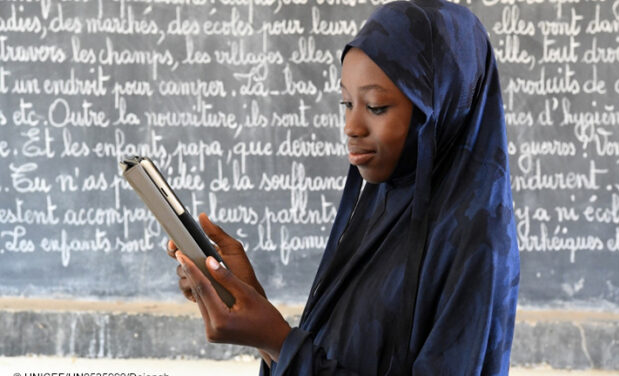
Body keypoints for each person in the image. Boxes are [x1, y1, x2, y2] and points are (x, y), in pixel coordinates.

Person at [167, 0, 521, 374]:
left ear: (441, 105)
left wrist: (276, 340)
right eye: (346, 103)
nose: (352, 126)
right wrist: (254, 307)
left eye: (377, 106)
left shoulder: (476, 237)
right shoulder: (384, 205)